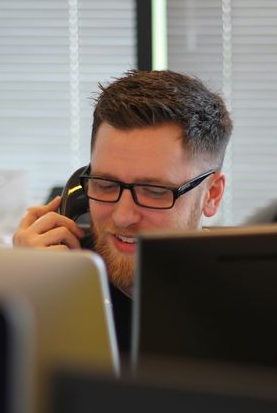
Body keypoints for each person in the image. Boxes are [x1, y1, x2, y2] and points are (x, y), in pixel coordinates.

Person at [13, 69, 233, 353]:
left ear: (211, 195)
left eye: (154, 192)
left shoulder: (249, 310)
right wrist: (22, 293)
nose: (122, 216)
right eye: (105, 185)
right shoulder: (55, 278)